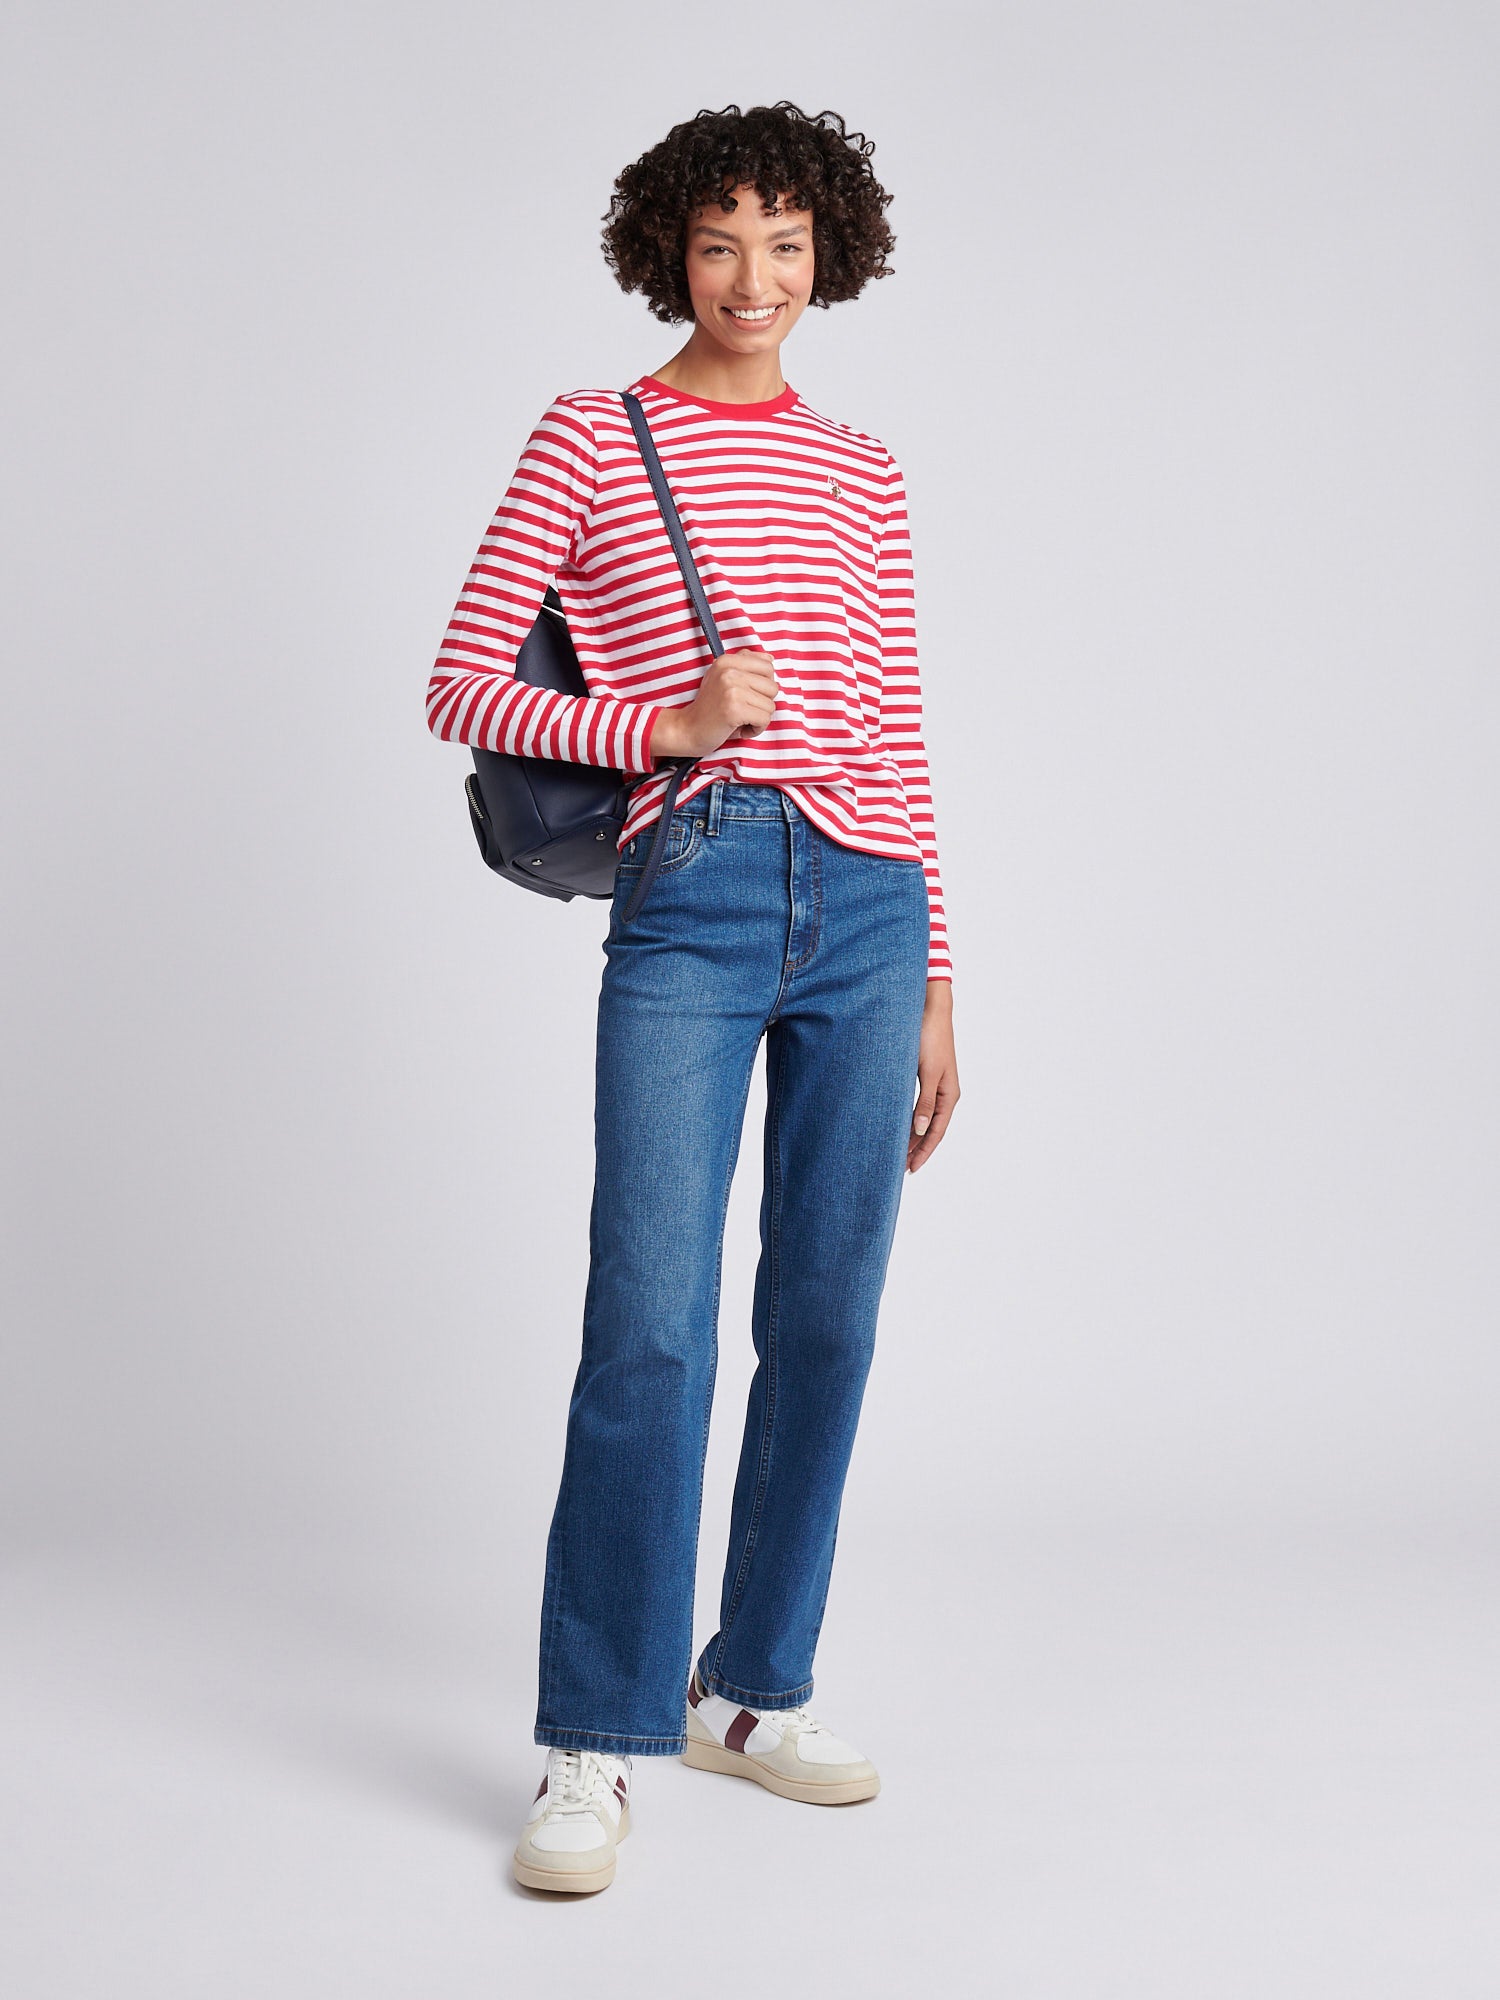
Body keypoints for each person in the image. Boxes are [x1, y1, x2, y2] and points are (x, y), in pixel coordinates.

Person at [425, 101, 960, 1895]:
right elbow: (460, 685)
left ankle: (753, 1687)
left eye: (788, 244)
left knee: (829, 1317)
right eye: (722, 240)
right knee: (649, 1324)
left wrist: (939, 971)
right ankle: (595, 1735)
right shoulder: (594, 434)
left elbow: (895, 728)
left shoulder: (864, 468)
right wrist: (659, 724)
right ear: (671, 249)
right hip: (697, 894)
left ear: (832, 258)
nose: (755, 277)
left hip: (869, 904)